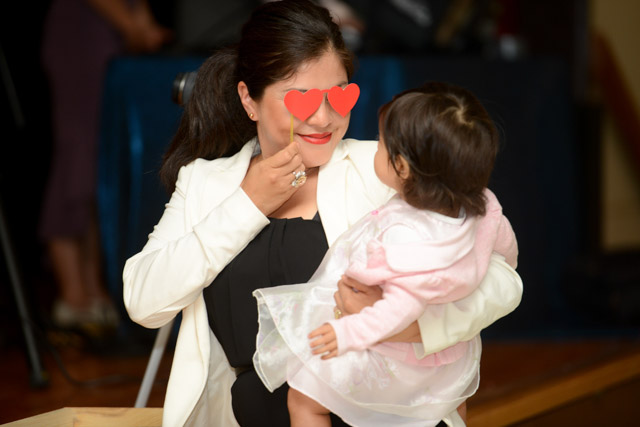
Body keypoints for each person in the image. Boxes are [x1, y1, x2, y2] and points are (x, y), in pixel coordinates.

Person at [122, 1, 522, 426]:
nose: (323, 117)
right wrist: (248, 203)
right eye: (301, 99)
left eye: (339, 95)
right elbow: (144, 302)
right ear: (249, 99)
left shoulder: (386, 168)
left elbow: (500, 276)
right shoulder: (206, 183)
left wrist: (409, 325)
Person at [253, 82, 518, 427]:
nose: (376, 147)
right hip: (448, 358)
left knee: (304, 398)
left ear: (403, 168)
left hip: (388, 349)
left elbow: (400, 309)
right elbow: (507, 253)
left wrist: (349, 333)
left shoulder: (404, 239)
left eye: (381, 143)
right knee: (450, 402)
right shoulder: (484, 207)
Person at [40, 0, 171, 330]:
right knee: (76, 160)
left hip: (111, 37)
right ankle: (72, 294)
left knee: (98, 167)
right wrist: (133, 26)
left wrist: (142, 20)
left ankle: (93, 289)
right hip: (82, 33)